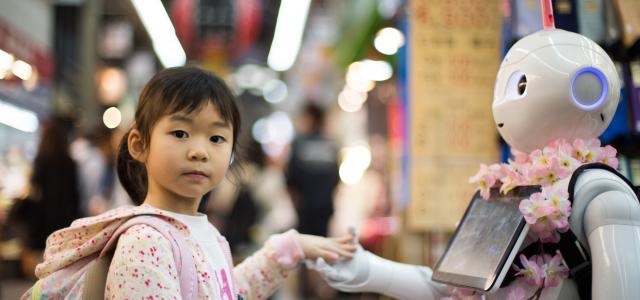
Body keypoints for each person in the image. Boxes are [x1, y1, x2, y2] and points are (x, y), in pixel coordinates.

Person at [30, 66, 355, 299]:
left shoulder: (203, 232)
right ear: (139, 145)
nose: (199, 151)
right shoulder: (145, 243)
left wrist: (291, 249)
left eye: (216, 137)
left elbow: (224, 290)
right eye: (180, 133)